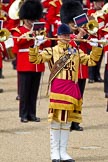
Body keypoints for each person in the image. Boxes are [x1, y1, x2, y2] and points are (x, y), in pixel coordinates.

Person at [29, 23, 102, 162]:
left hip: (71, 90)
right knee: (56, 122)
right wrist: (35, 46)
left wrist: (96, 46)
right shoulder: (52, 51)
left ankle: (63, 152)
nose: (66, 38)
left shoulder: (75, 51)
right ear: (57, 36)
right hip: (58, 89)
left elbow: (91, 61)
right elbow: (35, 59)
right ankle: (54, 153)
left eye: (68, 35)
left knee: (67, 122)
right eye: (63, 35)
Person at [60, 0, 92, 131]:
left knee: (79, 98)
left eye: (75, 23)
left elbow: (89, 48)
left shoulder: (82, 33)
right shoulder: (64, 36)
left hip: (82, 71)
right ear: (67, 23)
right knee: (69, 98)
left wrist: (87, 35)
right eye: (72, 23)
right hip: (70, 71)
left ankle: (75, 122)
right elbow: (67, 50)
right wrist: (77, 38)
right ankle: (67, 121)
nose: (74, 25)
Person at [11, 0, 45, 122]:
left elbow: (45, 45)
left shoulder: (39, 29)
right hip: (25, 64)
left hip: (37, 64)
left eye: (33, 19)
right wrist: (30, 34)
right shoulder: (18, 30)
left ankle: (32, 113)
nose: (32, 22)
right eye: (30, 19)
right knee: (24, 92)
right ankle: (23, 114)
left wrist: (41, 38)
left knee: (34, 91)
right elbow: (17, 44)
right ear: (24, 19)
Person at [87, 0, 104, 83]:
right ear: (94, 3)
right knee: (91, 57)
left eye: (101, 2)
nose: (100, 4)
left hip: (101, 37)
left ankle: (97, 75)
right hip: (92, 37)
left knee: (99, 58)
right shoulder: (90, 12)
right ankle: (91, 76)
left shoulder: (104, 12)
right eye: (98, 2)